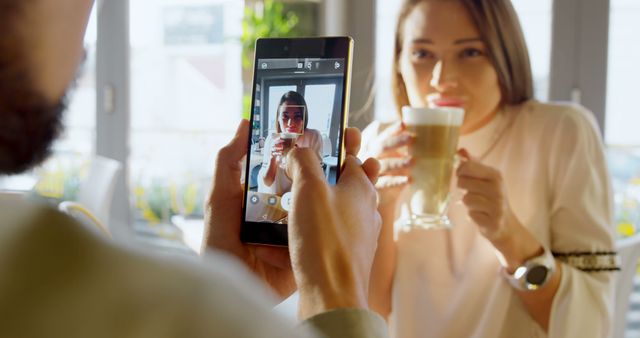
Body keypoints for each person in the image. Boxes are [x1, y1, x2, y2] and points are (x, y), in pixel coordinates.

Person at [0, 1, 388, 337]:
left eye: (295, 113)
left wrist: (230, 292)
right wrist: (339, 293)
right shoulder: (170, 312)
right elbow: (268, 182)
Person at [360, 0, 617, 337]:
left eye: (469, 53)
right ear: (398, 64)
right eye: (422, 54)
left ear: (505, 55)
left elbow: (592, 325)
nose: (442, 79)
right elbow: (367, 318)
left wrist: (510, 237)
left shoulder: (561, 134)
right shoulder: (378, 147)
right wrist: (381, 207)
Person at [258, 91, 323, 195]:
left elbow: (317, 183)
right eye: (285, 116)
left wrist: (300, 158)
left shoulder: (313, 137)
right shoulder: (272, 139)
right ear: (278, 119)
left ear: (303, 119)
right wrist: (272, 158)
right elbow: (267, 182)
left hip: (301, 199)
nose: (290, 123)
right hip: (276, 198)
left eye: (297, 116)